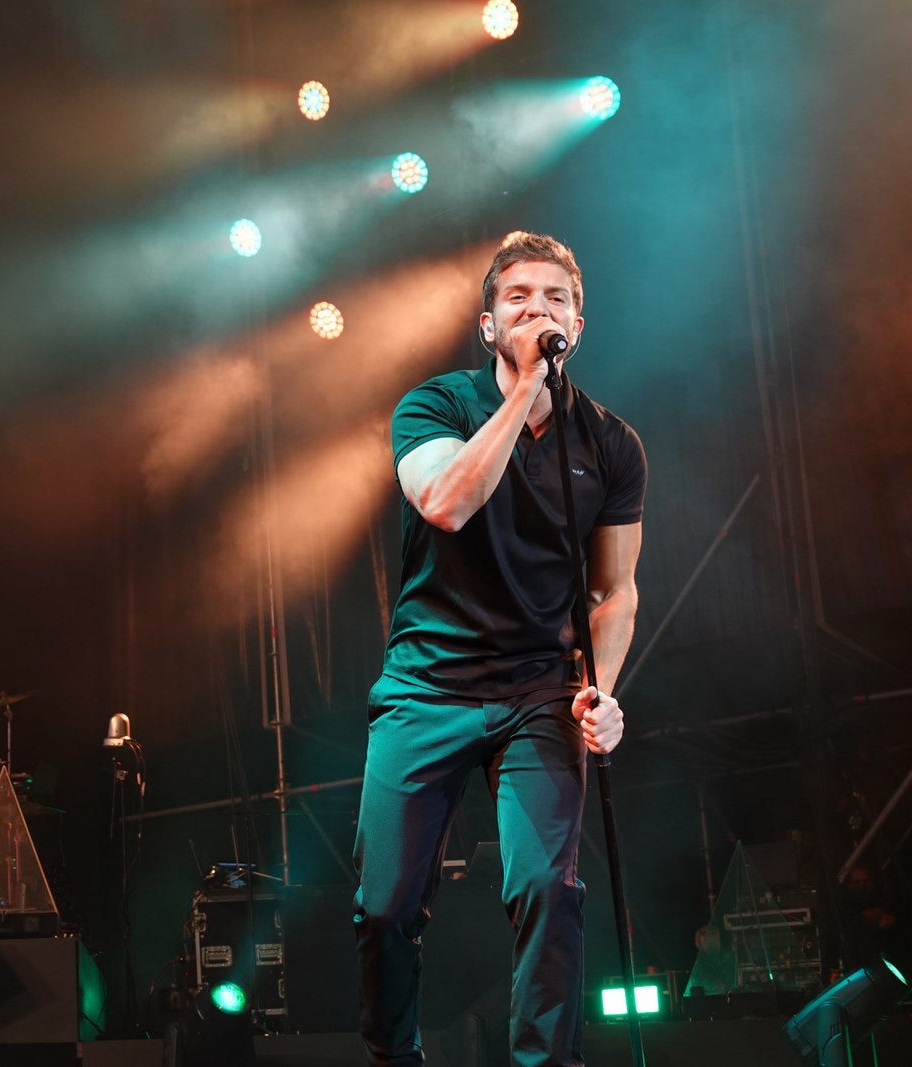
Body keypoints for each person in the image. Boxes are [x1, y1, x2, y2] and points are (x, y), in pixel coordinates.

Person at [354, 232, 646, 1067]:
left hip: (537, 692)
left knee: (549, 890)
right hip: (424, 686)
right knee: (384, 907)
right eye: (518, 298)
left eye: (555, 298)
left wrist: (604, 689)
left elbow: (613, 590)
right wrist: (522, 394)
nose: (537, 310)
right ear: (489, 324)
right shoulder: (434, 407)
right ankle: (392, 1056)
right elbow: (446, 502)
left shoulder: (611, 445)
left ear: (578, 325)